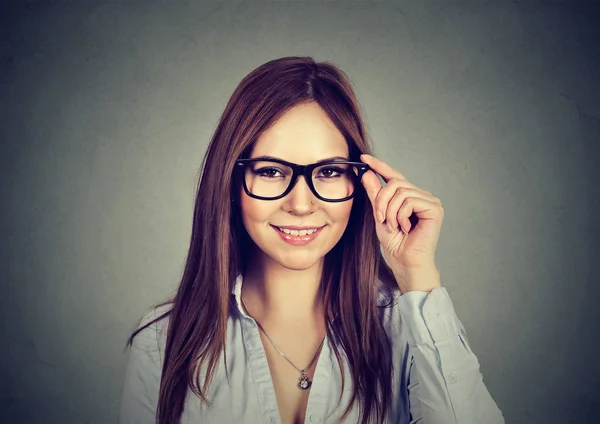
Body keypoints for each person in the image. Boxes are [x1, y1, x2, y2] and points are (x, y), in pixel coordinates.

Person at [119, 56, 505, 424]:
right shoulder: (162, 341)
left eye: (329, 172)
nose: (301, 204)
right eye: (270, 171)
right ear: (231, 182)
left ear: (360, 181)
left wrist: (418, 274)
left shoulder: (409, 327)